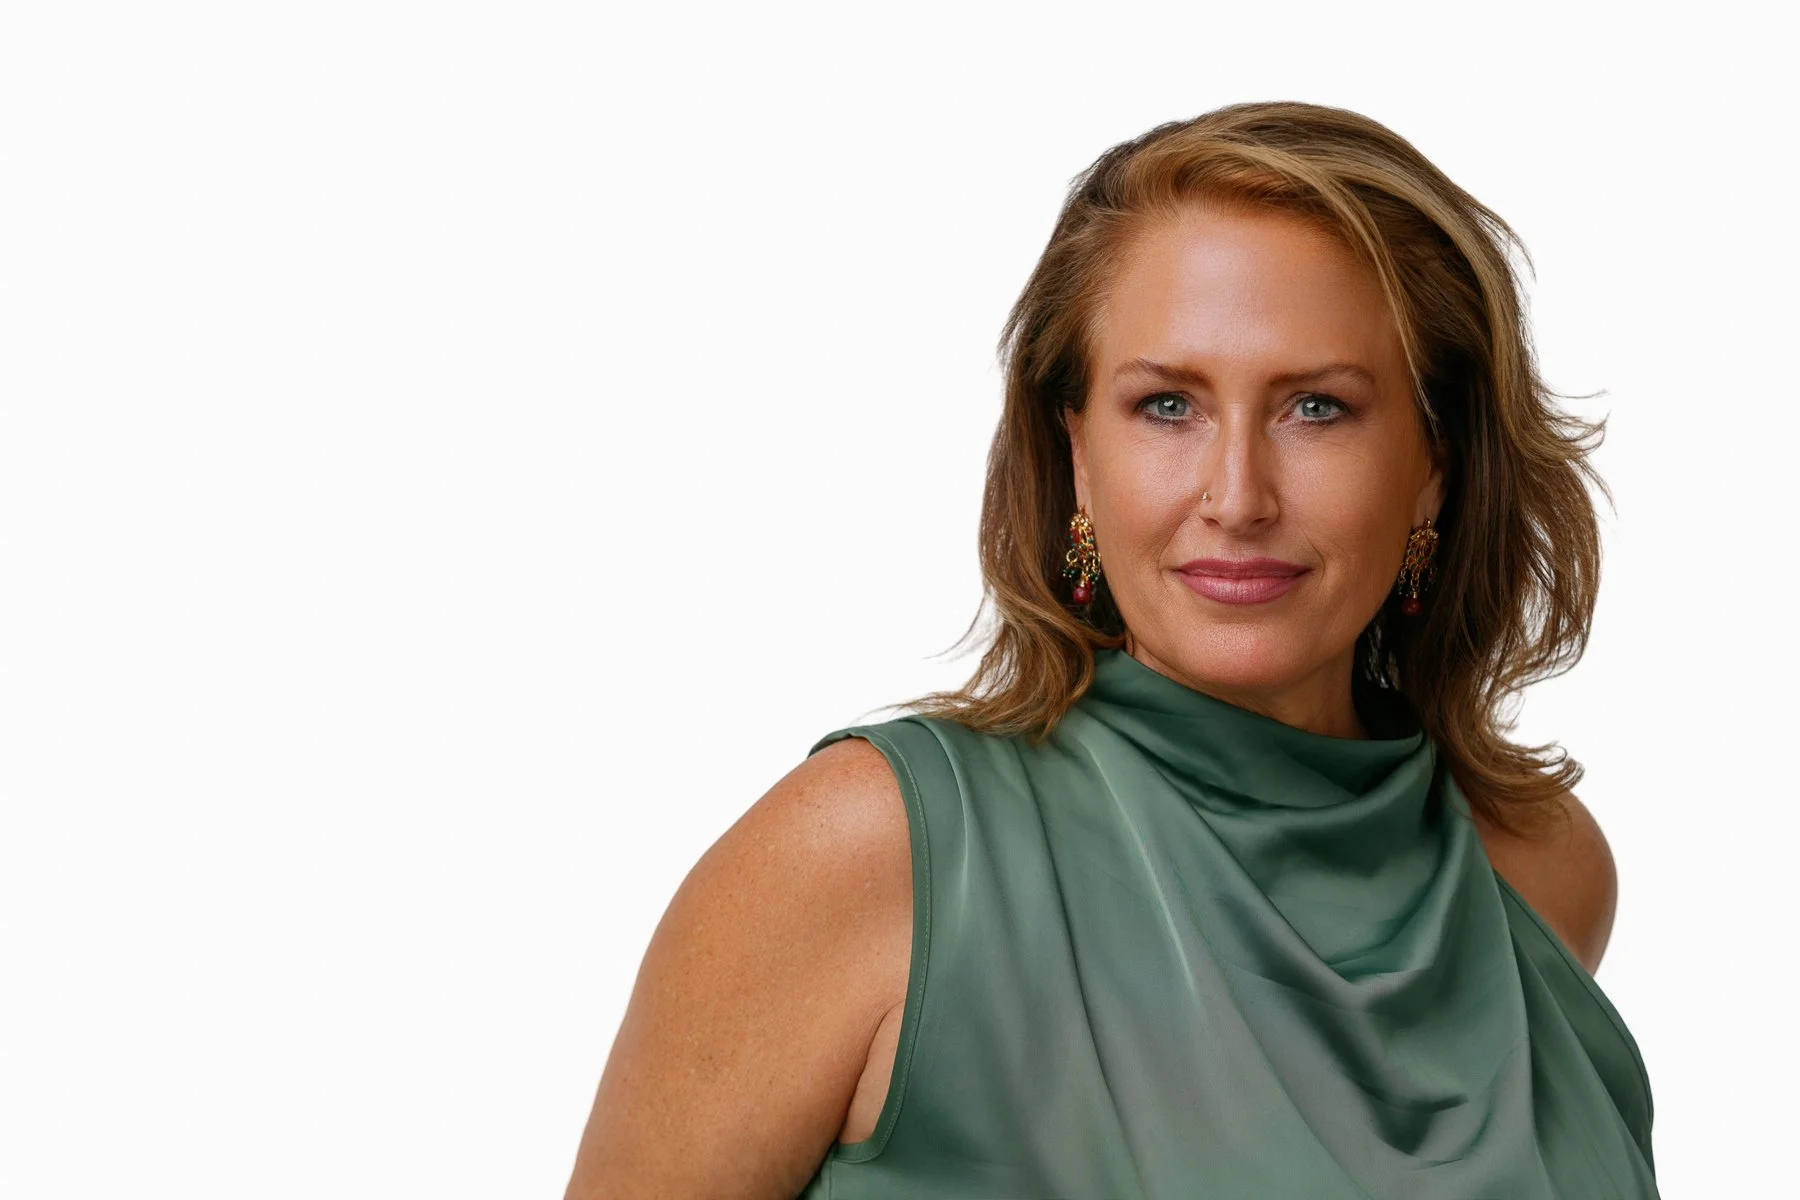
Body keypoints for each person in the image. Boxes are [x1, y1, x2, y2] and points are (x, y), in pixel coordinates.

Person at [563, 100, 1660, 1198]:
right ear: (1076, 452)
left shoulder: (1541, 872)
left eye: (1318, 407)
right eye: (1168, 405)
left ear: (1434, 462)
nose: (1237, 496)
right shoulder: (870, 858)